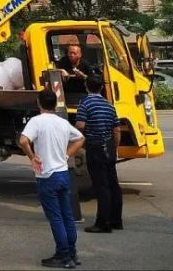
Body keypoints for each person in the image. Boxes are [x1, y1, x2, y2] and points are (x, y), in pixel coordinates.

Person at [19, 88, 86, 269]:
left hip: (47, 175)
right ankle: (72, 253)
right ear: (55, 104)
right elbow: (80, 138)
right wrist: (66, 155)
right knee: (67, 216)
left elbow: (23, 141)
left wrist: (32, 157)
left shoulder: (37, 121)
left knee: (55, 218)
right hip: (63, 174)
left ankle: (63, 255)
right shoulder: (62, 122)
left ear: (39, 103)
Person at [76, 75, 124, 233]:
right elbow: (116, 129)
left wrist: (74, 137)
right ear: (102, 88)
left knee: (101, 186)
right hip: (109, 147)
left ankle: (103, 223)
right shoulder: (109, 105)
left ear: (86, 86)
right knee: (113, 185)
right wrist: (114, 147)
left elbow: (81, 124)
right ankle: (116, 220)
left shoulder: (85, 103)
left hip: (95, 147)